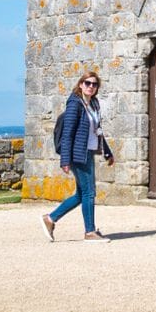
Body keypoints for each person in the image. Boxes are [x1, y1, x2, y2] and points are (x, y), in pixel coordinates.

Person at [40, 72, 115, 242]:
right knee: (89, 192)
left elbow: (97, 131)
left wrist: (107, 152)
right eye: (87, 83)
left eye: (94, 84)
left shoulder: (94, 104)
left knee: (82, 194)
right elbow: (67, 134)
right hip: (77, 154)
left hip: (88, 151)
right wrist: (65, 160)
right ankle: (90, 232)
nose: (91, 86)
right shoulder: (75, 103)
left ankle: (50, 219)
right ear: (80, 84)